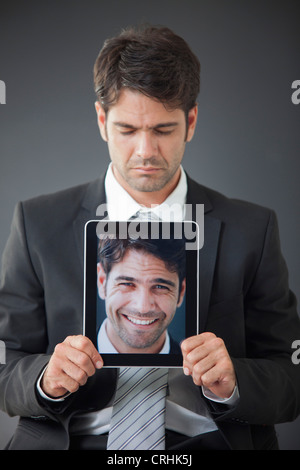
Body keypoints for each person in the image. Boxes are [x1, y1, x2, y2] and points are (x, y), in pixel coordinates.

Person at [0, 25, 300, 450]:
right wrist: (45, 380)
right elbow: (5, 364)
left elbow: (290, 377)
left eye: (162, 129)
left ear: (190, 121)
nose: (145, 151)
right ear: (102, 121)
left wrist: (233, 382)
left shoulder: (252, 229)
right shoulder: (37, 222)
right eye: (127, 130)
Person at [96, 235, 186, 354]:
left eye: (160, 287)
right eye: (127, 284)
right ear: (102, 282)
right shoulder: (64, 350)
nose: (143, 308)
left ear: (181, 292)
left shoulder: (202, 368)